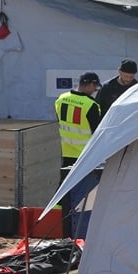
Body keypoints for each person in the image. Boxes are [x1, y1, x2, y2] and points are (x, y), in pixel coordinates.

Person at [55, 72, 103, 238]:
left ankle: (58, 225)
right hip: (86, 155)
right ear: (89, 85)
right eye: (95, 87)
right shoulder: (91, 105)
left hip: (67, 151)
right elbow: (97, 132)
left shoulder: (60, 99)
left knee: (64, 188)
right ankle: (81, 229)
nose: (95, 90)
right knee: (85, 192)